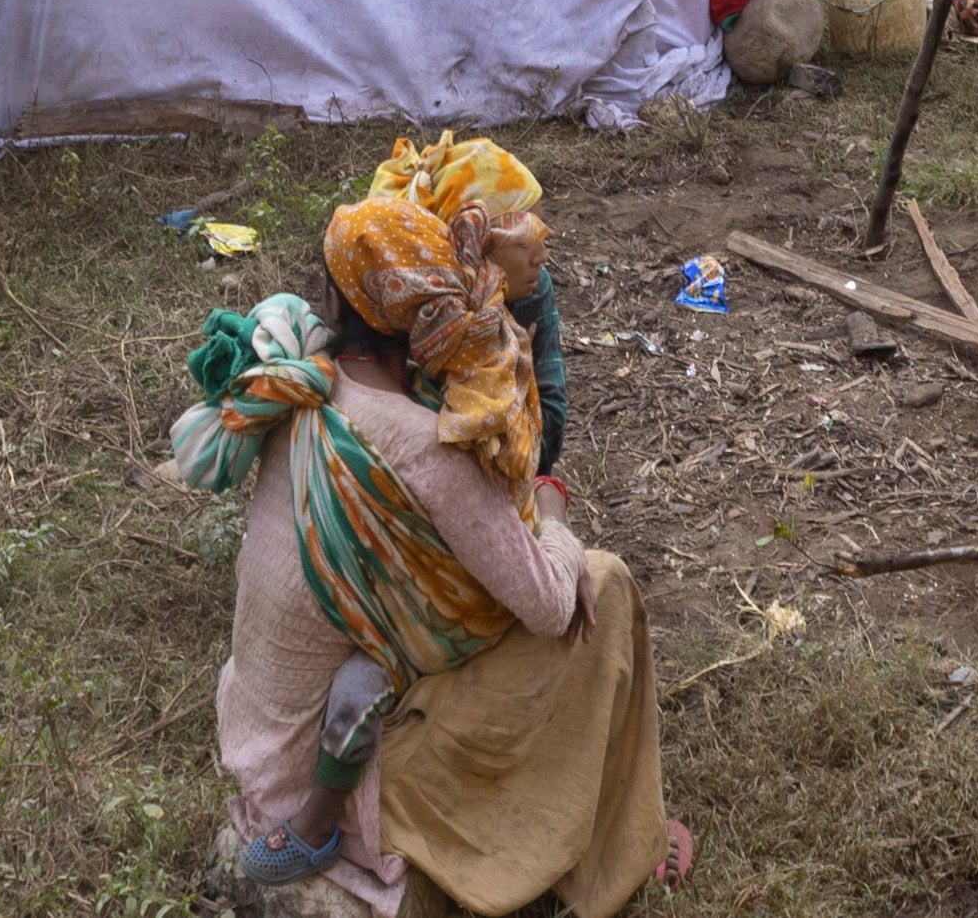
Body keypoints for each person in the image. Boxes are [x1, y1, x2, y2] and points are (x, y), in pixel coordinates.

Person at [185, 176, 682, 918]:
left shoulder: (303, 395)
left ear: (332, 302)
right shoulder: (426, 445)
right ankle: (621, 844)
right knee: (599, 585)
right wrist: (550, 506)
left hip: (261, 752)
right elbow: (548, 607)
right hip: (341, 790)